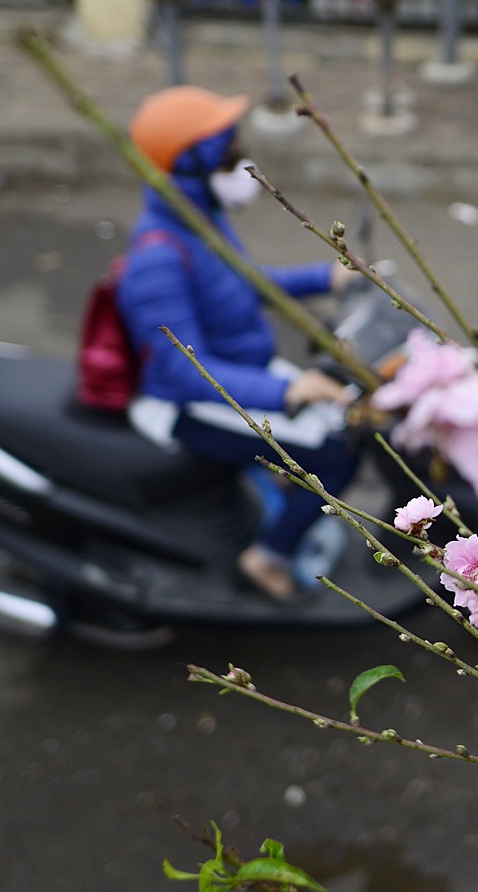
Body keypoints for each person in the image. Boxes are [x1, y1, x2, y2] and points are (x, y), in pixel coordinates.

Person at [116, 85, 356, 600]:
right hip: (188, 404)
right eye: (228, 152)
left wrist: (326, 276)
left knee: (344, 417)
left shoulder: (202, 221)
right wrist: (287, 393)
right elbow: (184, 370)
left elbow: (241, 282)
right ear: (191, 164)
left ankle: (281, 500)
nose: (241, 160)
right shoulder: (157, 257)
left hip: (243, 370)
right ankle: (267, 558)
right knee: (337, 452)